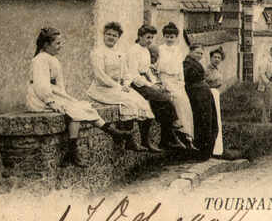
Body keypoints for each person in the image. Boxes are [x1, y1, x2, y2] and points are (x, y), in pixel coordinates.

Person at [27, 27, 130, 167]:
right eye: (57, 43)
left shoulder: (53, 59)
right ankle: (73, 151)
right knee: (74, 111)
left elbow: (59, 86)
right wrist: (50, 102)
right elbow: (40, 85)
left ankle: (112, 132)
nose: (60, 46)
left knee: (82, 106)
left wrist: (63, 98)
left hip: (53, 94)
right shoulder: (40, 60)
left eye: (61, 43)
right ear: (46, 45)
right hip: (39, 99)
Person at [86, 22, 155, 152]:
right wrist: (118, 86)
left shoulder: (120, 53)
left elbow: (126, 73)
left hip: (118, 87)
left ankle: (145, 141)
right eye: (108, 34)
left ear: (118, 37)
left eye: (114, 35)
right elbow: (100, 76)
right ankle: (128, 141)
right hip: (102, 89)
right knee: (129, 103)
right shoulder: (98, 53)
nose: (111, 37)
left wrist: (126, 84)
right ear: (103, 35)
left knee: (143, 103)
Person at [126, 24, 185, 151]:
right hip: (136, 83)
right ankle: (172, 126)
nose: (150, 40)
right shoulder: (133, 51)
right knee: (163, 99)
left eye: (152, 38)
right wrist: (151, 85)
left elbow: (147, 70)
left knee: (163, 97)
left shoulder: (146, 50)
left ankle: (166, 138)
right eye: (147, 37)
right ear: (140, 36)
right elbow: (134, 74)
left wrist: (155, 82)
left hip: (145, 81)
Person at [156, 22, 196, 150]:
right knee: (175, 100)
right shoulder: (160, 49)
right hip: (164, 79)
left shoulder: (178, 51)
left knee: (184, 103)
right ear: (163, 36)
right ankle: (175, 135)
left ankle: (187, 137)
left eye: (172, 37)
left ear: (176, 37)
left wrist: (181, 82)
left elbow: (180, 69)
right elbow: (156, 67)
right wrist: (159, 81)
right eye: (167, 36)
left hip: (176, 80)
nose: (169, 39)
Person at [183, 43, 219, 161]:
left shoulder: (195, 63)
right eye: (197, 53)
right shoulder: (187, 64)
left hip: (203, 94)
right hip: (197, 95)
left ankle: (207, 151)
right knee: (202, 121)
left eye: (201, 54)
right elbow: (187, 80)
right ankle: (202, 151)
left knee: (209, 120)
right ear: (190, 52)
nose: (199, 55)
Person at [205, 47, 225, 157]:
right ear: (210, 58)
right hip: (210, 93)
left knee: (218, 119)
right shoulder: (207, 70)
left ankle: (218, 150)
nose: (217, 59)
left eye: (219, 58)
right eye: (215, 57)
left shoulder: (217, 69)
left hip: (216, 93)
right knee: (213, 120)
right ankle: (212, 149)